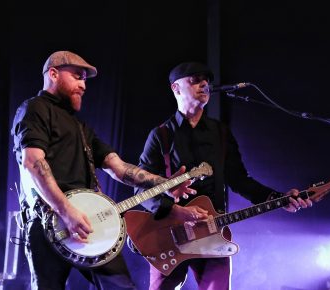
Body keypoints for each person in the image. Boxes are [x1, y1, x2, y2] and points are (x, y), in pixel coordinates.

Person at [11, 51, 196, 290]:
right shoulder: (35, 109)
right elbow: (33, 163)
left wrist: (165, 184)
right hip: (48, 220)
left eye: (85, 79)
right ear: (53, 74)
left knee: (120, 286)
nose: (83, 85)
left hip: (89, 221)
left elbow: (119, 168)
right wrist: (66, 211)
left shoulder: (80, 127)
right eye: (77, 76)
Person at [133, 61, 313, 290]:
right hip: (170, 235)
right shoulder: (161, 135)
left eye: (206, 80)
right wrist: (175, 210)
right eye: (194, 79)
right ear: (175, 88)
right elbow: (140, 188)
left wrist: (275, 197)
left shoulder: (220, 133)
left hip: (213, 231)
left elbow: (239, 179)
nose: (204, 84)